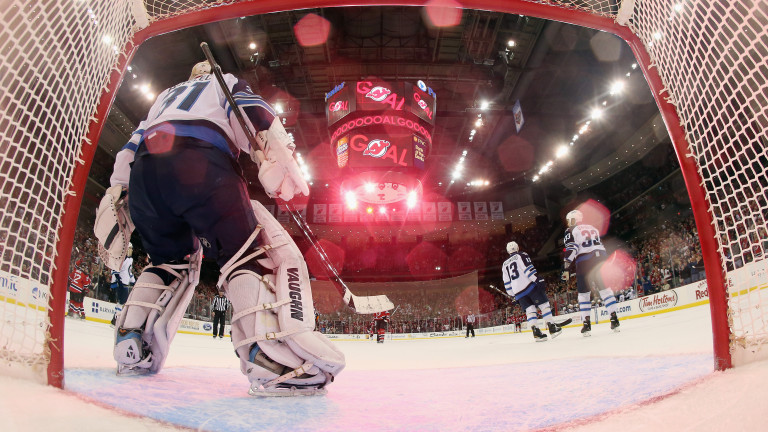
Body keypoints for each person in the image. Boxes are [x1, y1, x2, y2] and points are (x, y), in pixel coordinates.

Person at [94, 60, 344, 395]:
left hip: (145, 172)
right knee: (245, 254)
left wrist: (119, 189)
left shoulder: (167, 95)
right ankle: (268, 359)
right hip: (201, 162)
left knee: (168, 261)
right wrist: (276, 155)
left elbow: (131, 144)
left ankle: (132, 341)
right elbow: (254, 110)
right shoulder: (223, 80)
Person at [562, 209, 620, 336]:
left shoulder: (571, 230)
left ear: (574, 219)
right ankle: (614, 318)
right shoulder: (593, 228)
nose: (568, 223)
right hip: (601, 259)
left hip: (584, 261)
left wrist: (566, 267)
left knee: (583, 295)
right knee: (605, 290)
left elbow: (572, 247)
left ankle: (586, 324)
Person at [502, 242, 565, 341]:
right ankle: (552, 327)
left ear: (508, 251)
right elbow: (528, 269)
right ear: (517, 247)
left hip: (518, 292)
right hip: (529, 286)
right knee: (544, 305)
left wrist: (513, 294)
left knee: (530, 310)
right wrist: (537, 279)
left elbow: (506, 282)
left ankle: (536, 332)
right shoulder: (521, 255)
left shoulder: (504, 264)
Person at [110, 244, 135, 326]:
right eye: (130, 249)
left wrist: (132, 280)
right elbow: (114, 270)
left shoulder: (130, 259)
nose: (131, 250)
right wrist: (117, 282)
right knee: (122, 302)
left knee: (122, 302)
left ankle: (115, 319)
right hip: (121, 283)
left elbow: (129, 272)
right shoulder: (122, 258)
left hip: (125, 283)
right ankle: (116, 319)